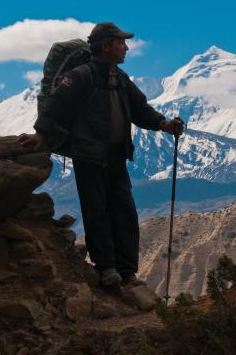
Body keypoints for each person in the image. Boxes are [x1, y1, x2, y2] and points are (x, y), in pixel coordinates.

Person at [19, 22, 183, 287]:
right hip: (89, 155)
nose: (126, 47)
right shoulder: (82, 76)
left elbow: (140, 109)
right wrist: (41, 134)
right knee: (98, 212)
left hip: (115, 155)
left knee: (124, 212)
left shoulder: (120, 78)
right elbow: (56, 105)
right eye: (120, 42)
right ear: (105, 46)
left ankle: (127, 271)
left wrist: (164, 124)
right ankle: (107, 269)